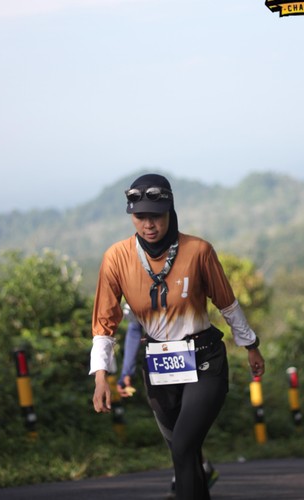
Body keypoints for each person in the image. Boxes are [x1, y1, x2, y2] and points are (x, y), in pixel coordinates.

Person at [90, 173, 265, 500]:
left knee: (184, 445)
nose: (148, 224)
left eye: (156, 215)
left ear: (170, 211)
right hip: (159, 366)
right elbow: (104, 324)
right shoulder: (116, 258)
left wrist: (250, 345)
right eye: (140, 216)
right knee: (184, 454)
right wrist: (101, 376)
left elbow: (227, 304)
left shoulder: (198, 251)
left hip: (205, 360)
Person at [117, 305, 219, 498]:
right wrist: (126, 372)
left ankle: (193, 472)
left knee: (187, 423)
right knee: (172, 424)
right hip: (160, 362)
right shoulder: (134, 290)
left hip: (193, 354)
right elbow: (135, 328)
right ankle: (196, 468)